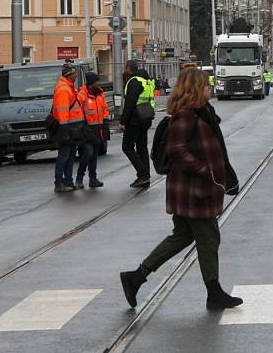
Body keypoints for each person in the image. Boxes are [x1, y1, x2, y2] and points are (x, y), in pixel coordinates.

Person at [119, 68, 243, 311]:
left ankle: (136, 277)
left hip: (195, 187)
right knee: (208, 238)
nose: (210, 87)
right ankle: (214, 292)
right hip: (194, 188)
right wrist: (203, 170)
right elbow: (176, 149)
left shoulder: (202, 113)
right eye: (205, 85)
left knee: (184, 235)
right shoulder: (186, 115)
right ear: (195, 88)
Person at [121, 60, 155, 188]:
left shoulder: (134, 81)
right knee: (142, 147)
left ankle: (142, 174)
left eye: (125, 68)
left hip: (135, 120)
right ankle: (145, 175)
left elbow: (129, 104)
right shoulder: (146, 81)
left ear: (129, 68)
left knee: (127, 147)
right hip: (146, 117)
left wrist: (123, 122)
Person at [52, 64, 85, 193]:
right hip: (67, 128)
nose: (76, 76)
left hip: (72, 128)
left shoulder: (69, 87)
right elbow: (63, 111)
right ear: (69, 75)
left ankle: (68, 181)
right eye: (75, 73)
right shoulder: (64, 89)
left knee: (70, 155)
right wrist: (65, 129)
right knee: (64, 155)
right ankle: (59, 182)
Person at [76, 72, 109, 189]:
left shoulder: (100, 94)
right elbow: (78, 111)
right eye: (96, 81)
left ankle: (93, 178)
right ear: (91, 83)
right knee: (88, 153)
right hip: (85, 129)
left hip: (97, 129)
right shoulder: (82, 95)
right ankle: (79, 178)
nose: (98, 83)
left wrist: (105, 123)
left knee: (94, 155)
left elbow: (104, 109)